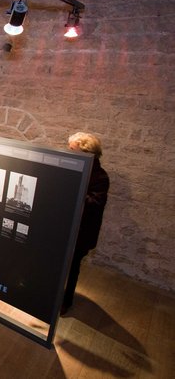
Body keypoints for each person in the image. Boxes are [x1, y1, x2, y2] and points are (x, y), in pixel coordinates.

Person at [61, 132, 109, 314]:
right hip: (66, 227)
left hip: (82, 232)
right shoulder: (73, 168)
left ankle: (67, 300)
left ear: (86, 153)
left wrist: (76, 192)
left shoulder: (100, 177)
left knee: (73, 267)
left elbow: (95, 204)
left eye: (73, 150)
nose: (69, 152)